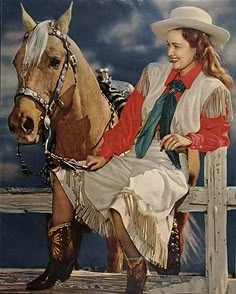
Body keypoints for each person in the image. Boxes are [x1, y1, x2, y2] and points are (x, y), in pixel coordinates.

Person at [26, 6, 233, 293]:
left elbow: (219, 137)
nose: (170, 52)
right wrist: (106, 152)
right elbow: (128, 124)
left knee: (123, 204)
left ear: (197, 46)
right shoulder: (153, 74)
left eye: (176, 46)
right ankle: (59, 263)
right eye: (168, 45)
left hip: (169, 165)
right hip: (135, 156)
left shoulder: (212, 89)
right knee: (64, 177)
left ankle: (136, 268)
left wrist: (191, 140)